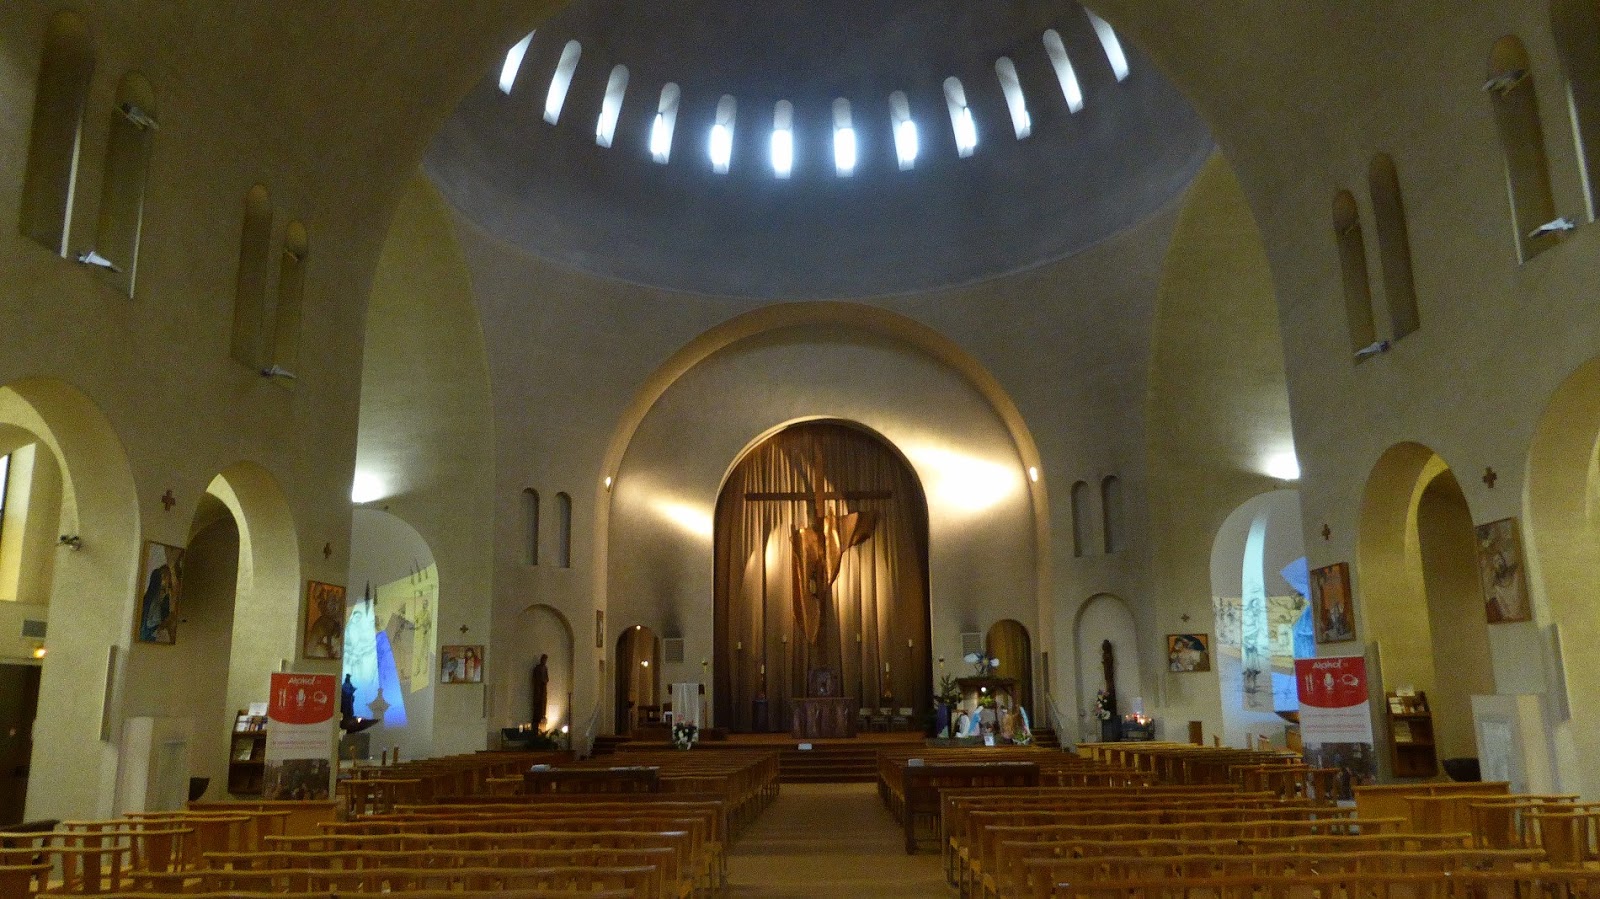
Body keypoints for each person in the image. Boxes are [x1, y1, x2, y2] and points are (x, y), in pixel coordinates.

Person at [531, 654, 549, 727]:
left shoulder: (545, 668)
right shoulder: (537, 668)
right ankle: (537, 718)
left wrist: (544, 681)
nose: (544, 661)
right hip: (538, 689)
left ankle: (542, 715)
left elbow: (547, 678)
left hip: (543, 688)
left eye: (545, 660)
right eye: (543, 659)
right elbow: (535, 678)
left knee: (543, 703)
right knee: (537, 703)